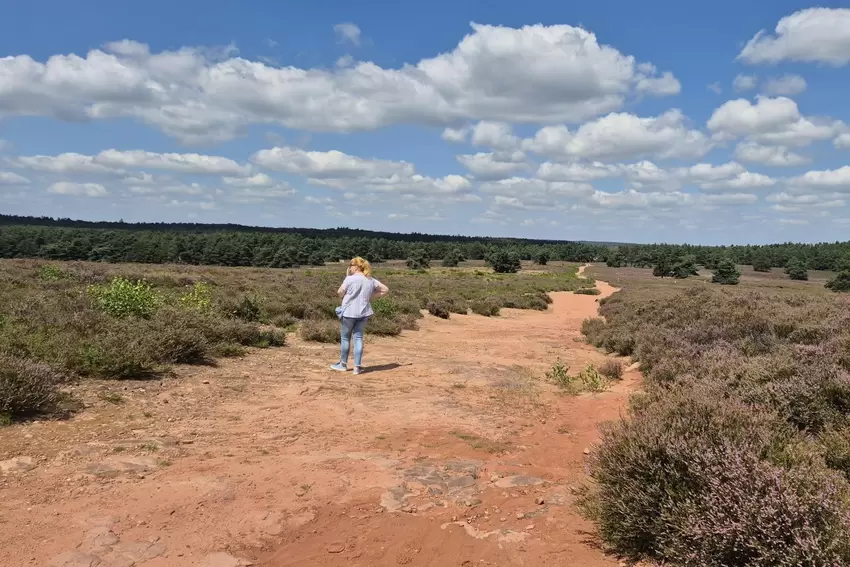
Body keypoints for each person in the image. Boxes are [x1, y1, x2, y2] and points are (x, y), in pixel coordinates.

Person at [331, 257, 389, 375]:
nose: (349, 267)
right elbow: (385, 289)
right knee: (358, 339)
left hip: (348, 313)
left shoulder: (350, 279)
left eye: (351, 264)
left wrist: (347, 277)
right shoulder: (370, 280)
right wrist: (369, 297)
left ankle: (343, 364)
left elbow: (339, 292)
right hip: (363, 313)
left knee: (345, 338)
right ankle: (357, 367)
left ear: (356, 266)